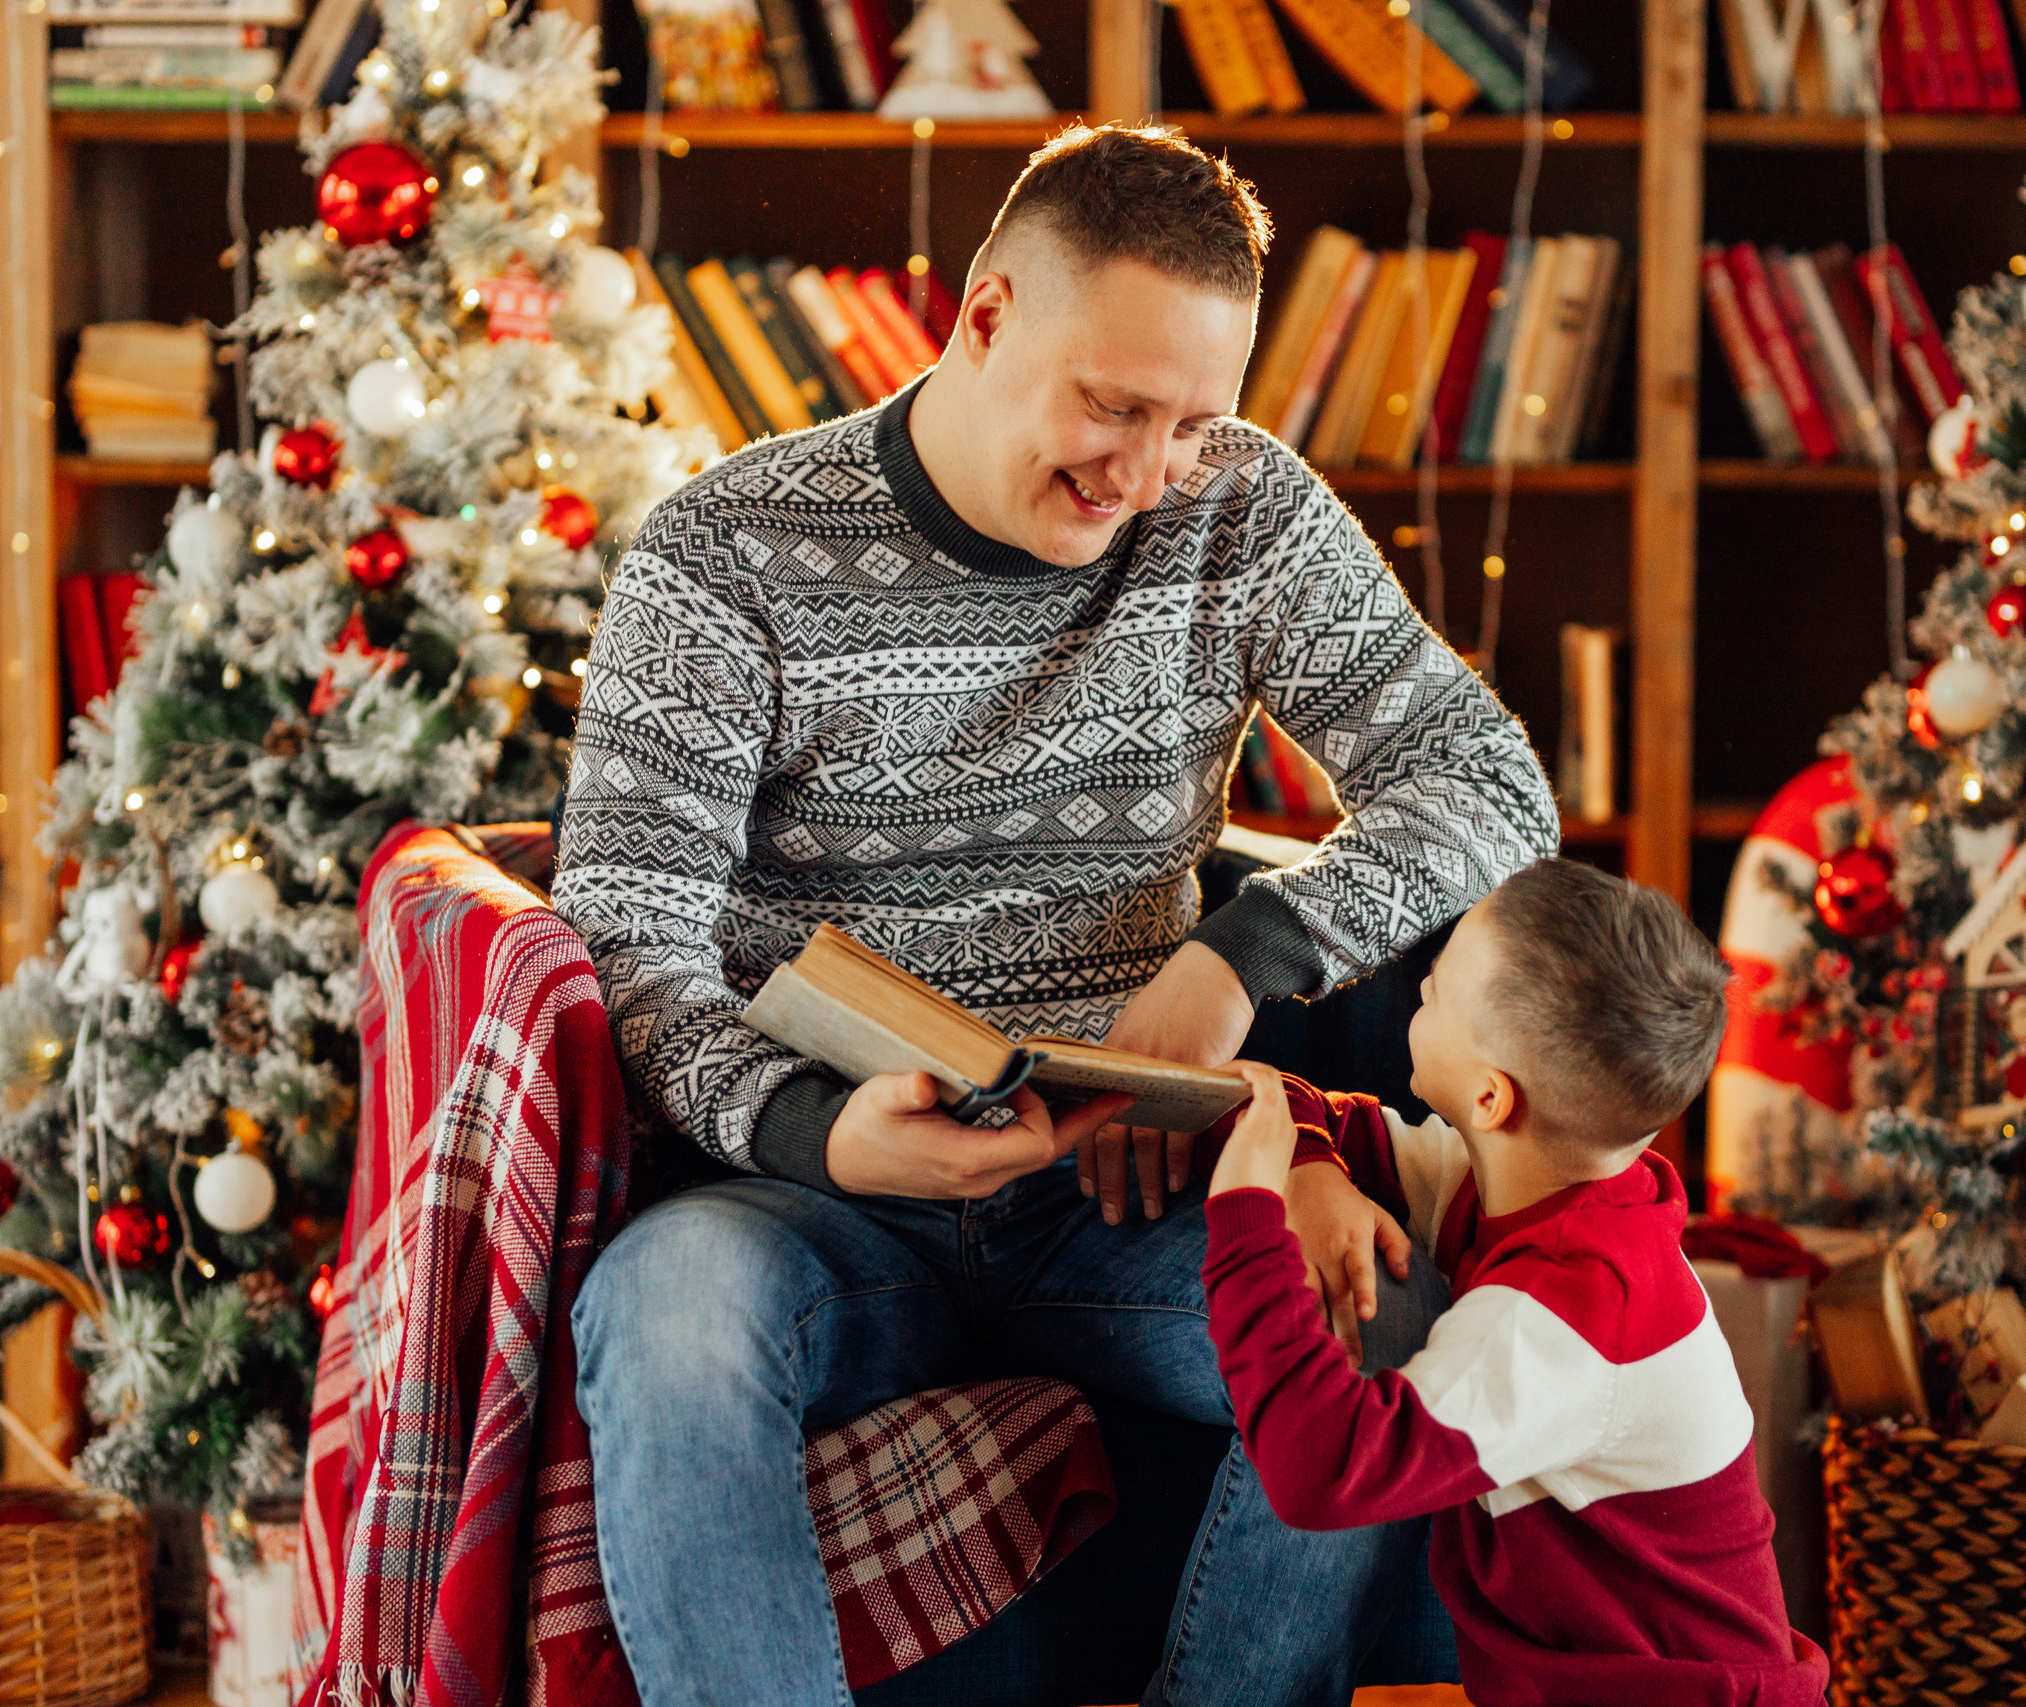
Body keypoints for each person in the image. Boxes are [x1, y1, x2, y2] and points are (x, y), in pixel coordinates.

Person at [555, 121, 1561, 1706]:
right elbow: (628, 947)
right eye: (1113, 405)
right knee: (665, 1316)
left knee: (1389, 1344)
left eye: (1191, 419)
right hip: (810, 1196)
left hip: (1122, 1178)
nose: (1145, 473)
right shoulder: (724, 554)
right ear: (983, 317)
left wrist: (1243, 956)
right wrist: (826, 1131)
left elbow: (1491, 782)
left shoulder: (1235, 512)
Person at [1201, 860, 1830, 1707]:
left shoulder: (1566, 1315)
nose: (1420, 981)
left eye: (1442, 983)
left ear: (1491, 1097)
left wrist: (1245, 1219)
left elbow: (1328, 1469)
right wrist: (1307, 1163)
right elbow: (1322, 1113)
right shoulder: (1511, 1179)